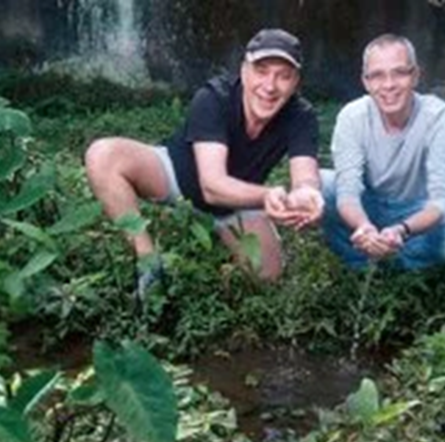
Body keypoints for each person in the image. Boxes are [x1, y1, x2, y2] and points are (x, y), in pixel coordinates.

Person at [85, 29, 324, 298]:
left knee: (268, 278)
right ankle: (148, 260)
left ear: (296, 83)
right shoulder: (214, 96)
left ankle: (220, 240)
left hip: (239, 201)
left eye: (284, 76)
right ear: (244, 71)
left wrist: (307, 195)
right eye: (262, 70)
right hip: (176, 177)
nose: (270, 86)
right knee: (103, 154)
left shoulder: (301, 116)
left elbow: (304, 176)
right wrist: (269, 195)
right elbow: (212, 185)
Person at [321, 33, 445, 270]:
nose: (388, 85)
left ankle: (382, 261)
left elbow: (441, 202)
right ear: (365, 81)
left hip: (416, 210)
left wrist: (401, 230)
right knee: (319, 183)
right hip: (369, 204)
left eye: (399, 73)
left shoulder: (438, 116)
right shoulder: (352, 116)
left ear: (415, 76)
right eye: (377, 76)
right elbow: (348, 194)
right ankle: (368, 254)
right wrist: (364, 226)